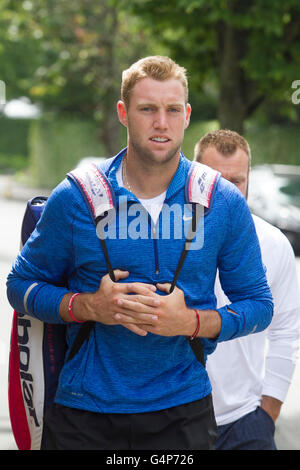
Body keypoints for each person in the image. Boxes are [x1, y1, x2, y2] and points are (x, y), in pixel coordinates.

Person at [7, 57, 273, 451]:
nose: (161, 123)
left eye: (171, 110)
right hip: (84, 413)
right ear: (123, 113)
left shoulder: (222, 201)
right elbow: (20, 286)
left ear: (186, 115)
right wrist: (87, 306)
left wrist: (192, 321)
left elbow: (260, 305)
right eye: (147, 109)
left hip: (183, 412)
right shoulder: (77, 196)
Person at [194, 129, 300, 450]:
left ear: (249, 179)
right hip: (177, 418)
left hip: (246, 422)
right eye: (215, 179)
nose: (227, 190)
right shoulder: (169, 240)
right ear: (195, 177)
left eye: (236, 181)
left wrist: (268, 412)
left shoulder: (273, 244)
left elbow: (285, 333)